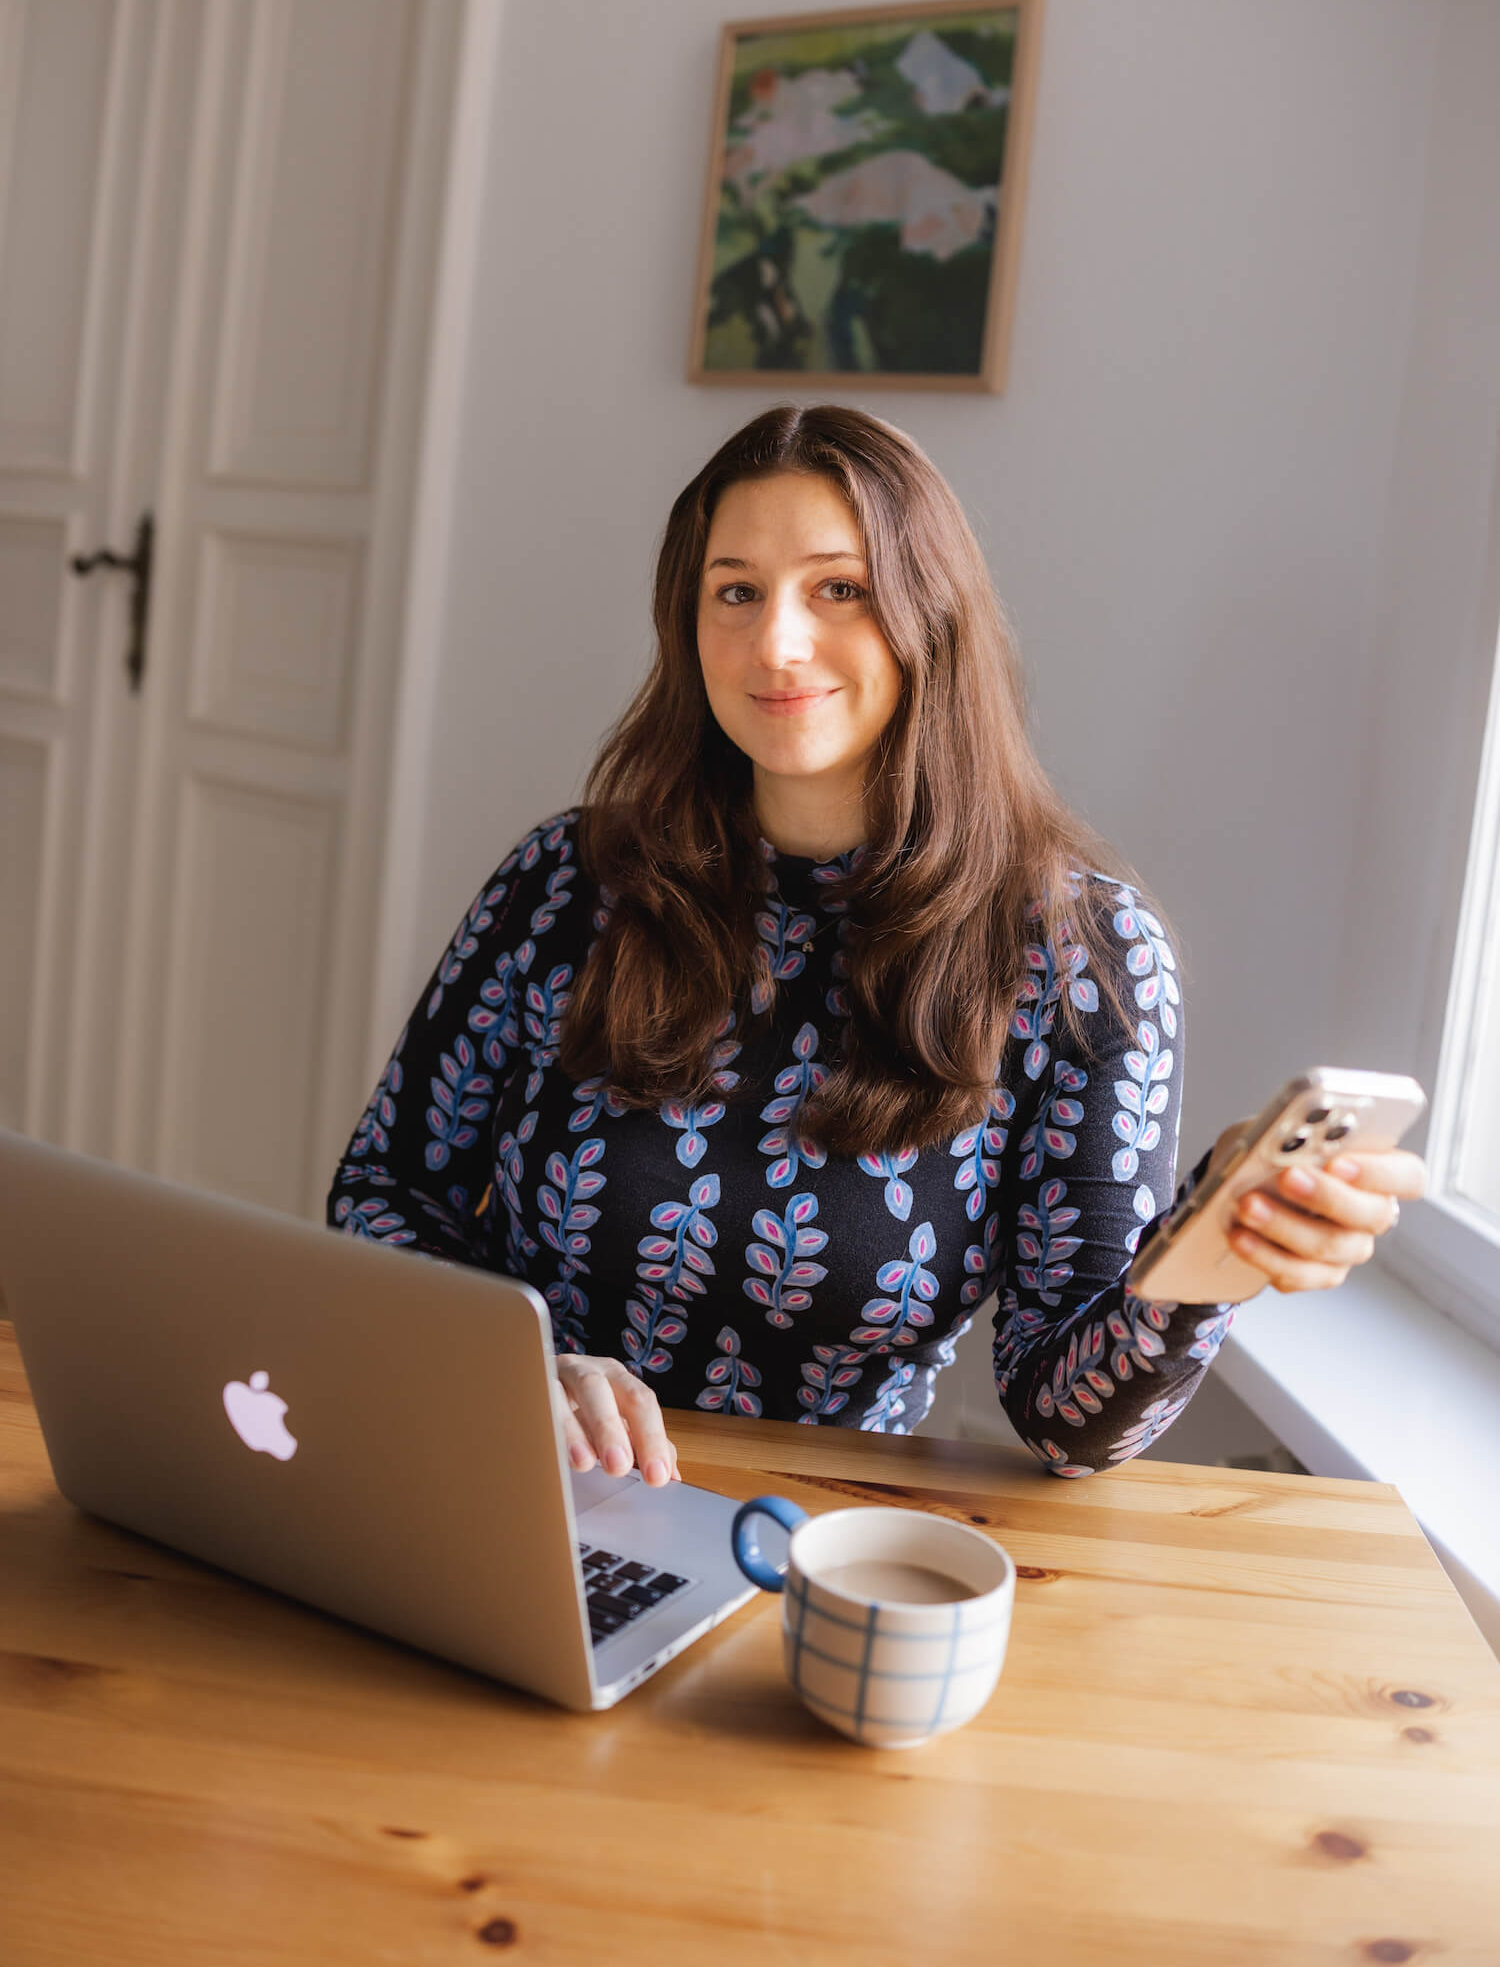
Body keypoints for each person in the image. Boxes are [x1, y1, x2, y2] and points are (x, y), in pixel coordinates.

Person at [328, 405, 1425, 1484]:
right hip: (524, 1486)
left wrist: (1209, 1262)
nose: (777, 641)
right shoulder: (568, 882)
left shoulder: (1085, 957)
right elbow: (385, 1196)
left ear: (928, 614)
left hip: (827, 1545)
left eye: (838, 588)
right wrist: (518, 1362)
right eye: (736, 592)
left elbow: (1065, 1420)